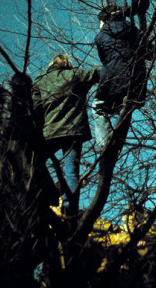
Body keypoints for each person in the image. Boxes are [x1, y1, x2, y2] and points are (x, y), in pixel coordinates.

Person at [32, 54, 99, 212]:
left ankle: (45, 195)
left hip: (50, 133)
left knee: (34, 163)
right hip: (73, 133)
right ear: (67, 64)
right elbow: (97, 73)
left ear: (51, 65)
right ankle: (70, 210)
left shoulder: (40, 82)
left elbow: (36, 111)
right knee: (72, 173)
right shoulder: (75, 76)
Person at [91, 5, 151, 148]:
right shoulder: (135, 31)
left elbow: (104, 59)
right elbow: (150, 53)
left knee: (97, 107)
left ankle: (103, 144)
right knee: (129, 103)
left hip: (114, 81)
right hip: (137, 81)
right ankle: (127, 100)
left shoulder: (100, 37)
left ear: (104, 20)